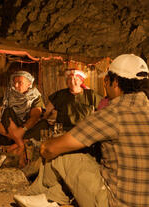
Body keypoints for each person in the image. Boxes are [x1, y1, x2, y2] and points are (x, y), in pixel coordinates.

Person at [13, 54, 149, 207]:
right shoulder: (62, 95)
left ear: (115, 82)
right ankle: (52, 198)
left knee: (60, 151)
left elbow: (49, 149)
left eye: (106, 80)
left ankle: (48, 198)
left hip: (115, 202)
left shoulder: (111, 111)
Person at [0, 69, 45, 167]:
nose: (16, 86)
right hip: (12, 128)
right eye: (15, 82)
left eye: (19, 83)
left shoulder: (35, 97)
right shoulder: (8, 94)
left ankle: (17, 144)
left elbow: (35, 116)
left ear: (29, 84)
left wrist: (22, 129)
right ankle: (21, 144)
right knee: (7, 111)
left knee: (44, 125)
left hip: (26, 129)